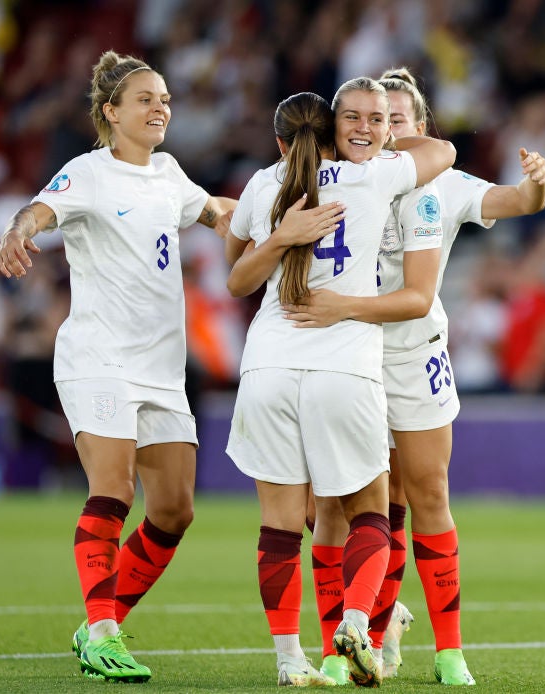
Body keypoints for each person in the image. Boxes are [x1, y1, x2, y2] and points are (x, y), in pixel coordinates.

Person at [284, 68, 545, 686]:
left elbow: (515, 202)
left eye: (398, 119)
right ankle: (351, 638)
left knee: (426, 494)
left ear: (420, 129)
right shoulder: (342, 178)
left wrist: (537, 186)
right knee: (335, 506)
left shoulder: (443, 186)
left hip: (412, 355)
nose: (388, 130)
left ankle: (449, 650)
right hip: (347, 352)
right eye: (379, 119)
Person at [0, 50, 237, 683]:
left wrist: (274, 213)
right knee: (114, 489)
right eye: (145, 100)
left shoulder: (169, 174)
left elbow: (216, 211)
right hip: (98, 357)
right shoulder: (88, 172)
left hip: (161, 365)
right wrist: (19, 230)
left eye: (164, 99)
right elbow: (38, 211)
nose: (160, 108)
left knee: (175, 509)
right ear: (111, 112)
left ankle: (96, 623)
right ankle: (104, 629)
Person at [224, 81, 456, 687]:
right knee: (371, 513)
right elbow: (446, 152)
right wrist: (387, 139)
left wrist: (279, 237)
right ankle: (357, 619)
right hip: (343, 365)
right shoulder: (374, 177)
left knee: (278, 524)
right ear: (332, 131)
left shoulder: (265, 184)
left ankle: (288, 662)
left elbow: (236, 278)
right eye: (354, 119)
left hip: (268, 362)